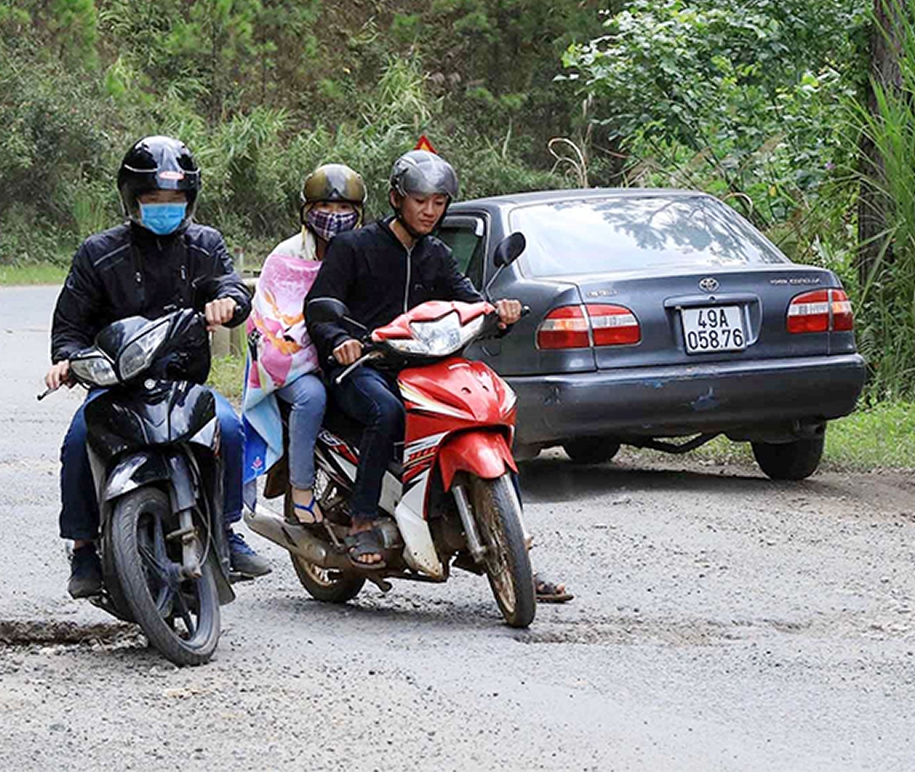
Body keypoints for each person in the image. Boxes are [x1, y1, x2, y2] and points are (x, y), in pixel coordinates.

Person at [305, 148, 571, 599]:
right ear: (396, 198)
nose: (429, 211)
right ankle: (364, 519)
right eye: (420, 200)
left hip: (426, 365)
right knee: (385, 412)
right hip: (367, 365)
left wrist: (499, 312)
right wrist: (339, 341)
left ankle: (515, 545)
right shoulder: (355, 247)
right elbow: (318, 309)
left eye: (439, 202)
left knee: (483, 408)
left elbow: (468, 300)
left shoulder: (437, 254)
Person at [45, 135, 273, 598]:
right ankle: (84, 546)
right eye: (153, 199)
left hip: (182, 384)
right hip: (116, 386)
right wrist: (66, 361)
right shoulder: (97, 252)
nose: (164, 207)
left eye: (175, 199)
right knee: (77, 441)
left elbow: (231, 286)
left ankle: (227, 528)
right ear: (132, 198)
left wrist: (228, 301)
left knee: (229, 430)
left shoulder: (205, 244)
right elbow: (69, 325)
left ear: (190, 200)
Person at [241, 164, 367, 526]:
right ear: (306, 211)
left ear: (358, 214)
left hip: (351, 354)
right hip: (292, 362)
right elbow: (270, 316)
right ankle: (301, 490)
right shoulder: (287, 255)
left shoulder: (365, 249)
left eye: (344, 209)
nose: (334, 216)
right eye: (324, 208)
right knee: (312, 397)